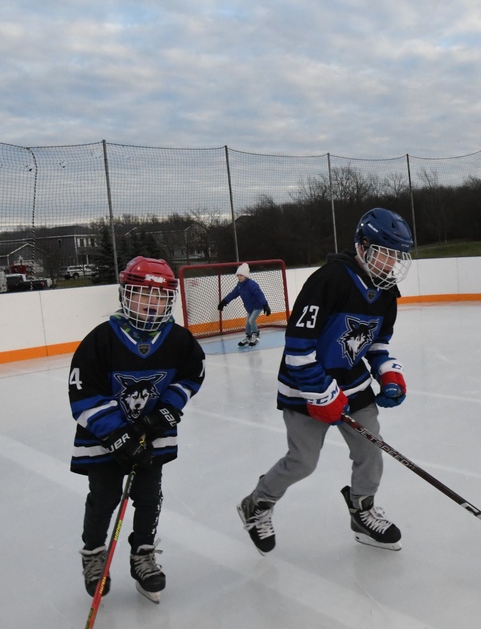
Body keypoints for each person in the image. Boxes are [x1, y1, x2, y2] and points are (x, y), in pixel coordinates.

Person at [237, 208, 414, 554]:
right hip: (305, 385)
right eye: (385, 253)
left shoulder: (387, 293)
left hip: (352, 382)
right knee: (303, 460)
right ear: (363, 247)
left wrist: (388, 372)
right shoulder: (328, 281)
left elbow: (376, 343)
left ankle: (361, 510)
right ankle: (257, 503)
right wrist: (319, 392)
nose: (391, 264)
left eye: (396, 256)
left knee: (371, 447)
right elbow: (298, 349)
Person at [69, 256, 206, 603]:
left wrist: (163, 413)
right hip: (103, 441)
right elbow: (84, 394)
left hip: (152, 437)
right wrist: (118, 435)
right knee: (104, 498)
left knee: (148, 497)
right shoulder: (101, 340)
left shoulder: (178, 340)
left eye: (159, 298)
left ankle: (142, 553)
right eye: (142, 295)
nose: (152, 304)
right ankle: (94, 555)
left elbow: (193, 375)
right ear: (124, 294)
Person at [218, 262, 271, 347]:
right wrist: (224, 302)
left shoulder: (252, 284)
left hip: (257, 306)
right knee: (247, 323)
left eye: (241, 275)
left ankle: (256, 335)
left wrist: (265, 305)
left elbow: (259, 294)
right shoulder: (239, 286)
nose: (239, 277)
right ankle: (248, 337)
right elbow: (233, 294)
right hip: (249, 308)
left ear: (246, 275)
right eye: (238, 275)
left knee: (251, 320)